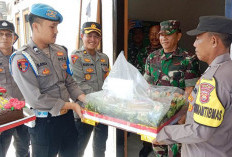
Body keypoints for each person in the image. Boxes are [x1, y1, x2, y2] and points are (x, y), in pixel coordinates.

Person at [9, 3, 86, 157]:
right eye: (52, 27)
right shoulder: (22, 58)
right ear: (36, 26)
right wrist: (71, 105)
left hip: (67, 119)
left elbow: (69, 81)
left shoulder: (60, 51)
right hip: (45, 124)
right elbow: (35, 99)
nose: (56, 31)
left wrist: (84, 99)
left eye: (56, 26)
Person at [153, 15, 232, 157]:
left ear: (213, 41)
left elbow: (200, 131)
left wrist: (162, 133)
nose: (194, 44)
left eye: (198, 38)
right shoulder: (226, 70)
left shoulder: (214, 79)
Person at [144, 20, 200, 157]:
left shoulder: (189, 59)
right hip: (157, 116)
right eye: (161, 35)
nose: (164, 38)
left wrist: (182, 114)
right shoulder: (153, 57)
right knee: (158, 151)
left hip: (177, 118)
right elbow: (146, 86)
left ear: (178, 36)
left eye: (168, 35)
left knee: (176, 153)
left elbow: (190, 89)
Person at [69, 22, 109, 157]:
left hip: (102, 110)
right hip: (83, 110)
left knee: (100, 147)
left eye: (96, 36)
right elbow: (78, 84)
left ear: (100, 39)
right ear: (82, 36)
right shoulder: (76, 57)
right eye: (89, 35)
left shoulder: (104, 58)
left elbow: (107, 82)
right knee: (79, 147)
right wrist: (101, 99)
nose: (93, 39)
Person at [0, 20, 30, 157]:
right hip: (3, 113)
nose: (4, 38)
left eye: (8, 34)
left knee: (23, 148)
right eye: (0, 34)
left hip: (22, 110)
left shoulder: (21, 57)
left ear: (14, 38)